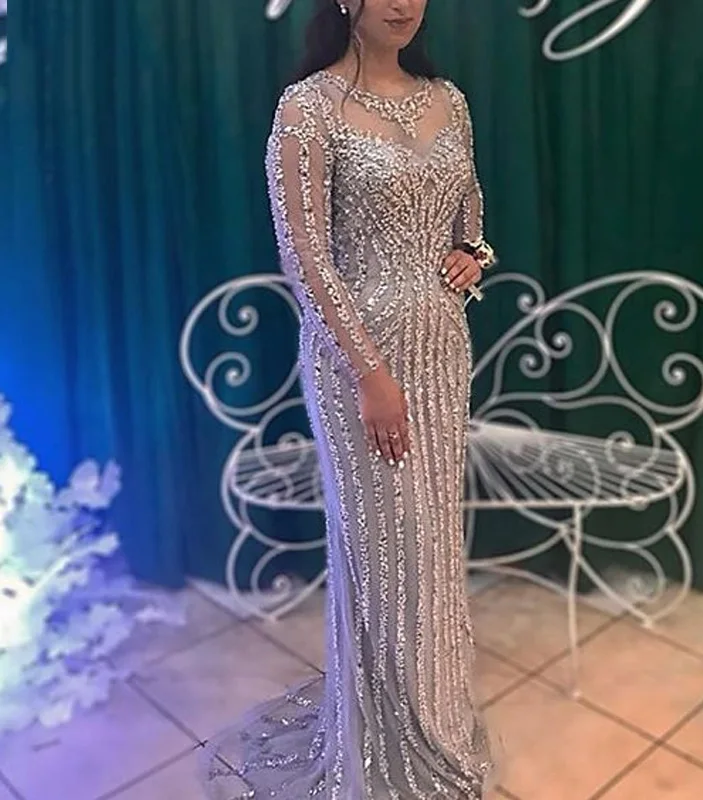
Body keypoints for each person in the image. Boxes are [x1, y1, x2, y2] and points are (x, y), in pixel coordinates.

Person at [201, 1, 497, 797]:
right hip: (355, 364)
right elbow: (305, 258)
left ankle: (434, 719)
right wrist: (370, 374)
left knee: (433, 546)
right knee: (382, 552)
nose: (404, 4)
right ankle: (386, 743)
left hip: (441, 352)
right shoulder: (307, 109)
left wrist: (473, 255)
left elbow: (471, 216)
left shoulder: (450, 100)